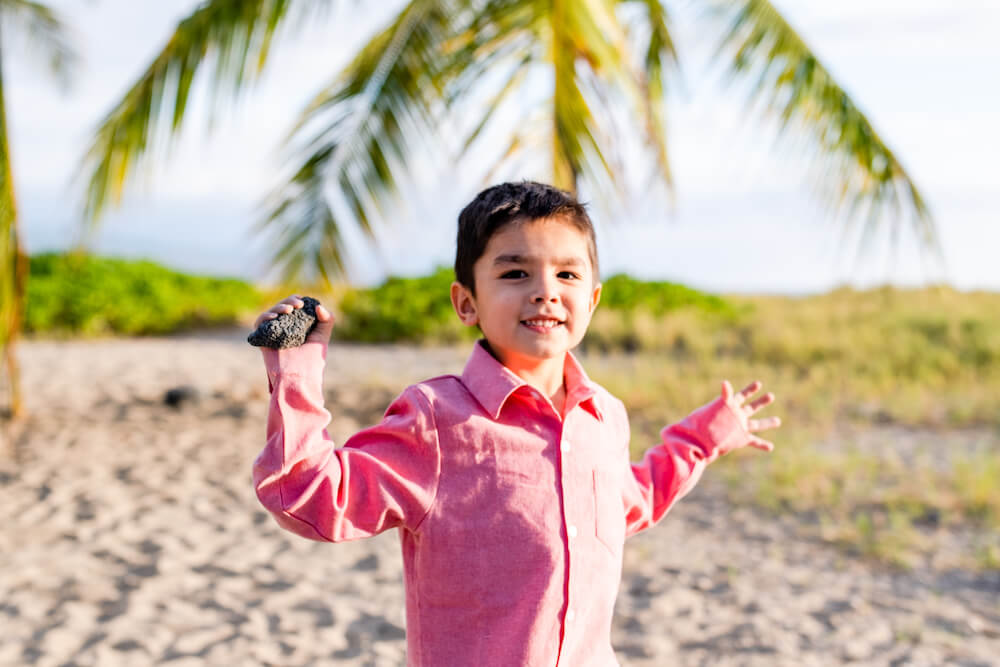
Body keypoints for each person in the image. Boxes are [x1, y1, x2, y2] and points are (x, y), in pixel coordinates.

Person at [251, 181, 781, 666]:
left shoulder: (603, 417)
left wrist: (704, 439)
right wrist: (296, 367)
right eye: (514, 272)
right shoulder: (436, 421)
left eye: (568, 273)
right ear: (466, 303)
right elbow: (311, 496)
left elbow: (630, 503)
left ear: (592, 300)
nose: (545, 290)